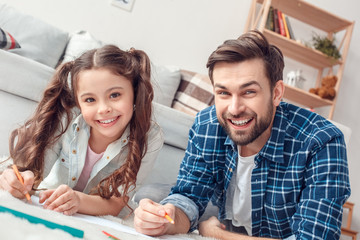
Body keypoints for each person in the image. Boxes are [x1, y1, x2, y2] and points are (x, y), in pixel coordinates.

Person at [133, 30, 350, 239]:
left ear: (276, 93)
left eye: (248, 92)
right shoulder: (207, 124)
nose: (235, 109)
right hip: (224, 214)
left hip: (267, 231)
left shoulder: (322, 140)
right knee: (151, 198)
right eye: (224, 93)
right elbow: (189, 196)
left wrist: (216, 234)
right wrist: (166, 218)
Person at [0, 45, 163, 217]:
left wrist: (78, 200)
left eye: (115, 95)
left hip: (101, 219)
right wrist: (19, 179)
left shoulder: (150, 136)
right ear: (78, 102)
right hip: (51, 207)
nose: (103, 109)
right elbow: (35, 170)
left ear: (135, 93)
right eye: (90, 99)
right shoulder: (67, 117)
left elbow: (116, 203)